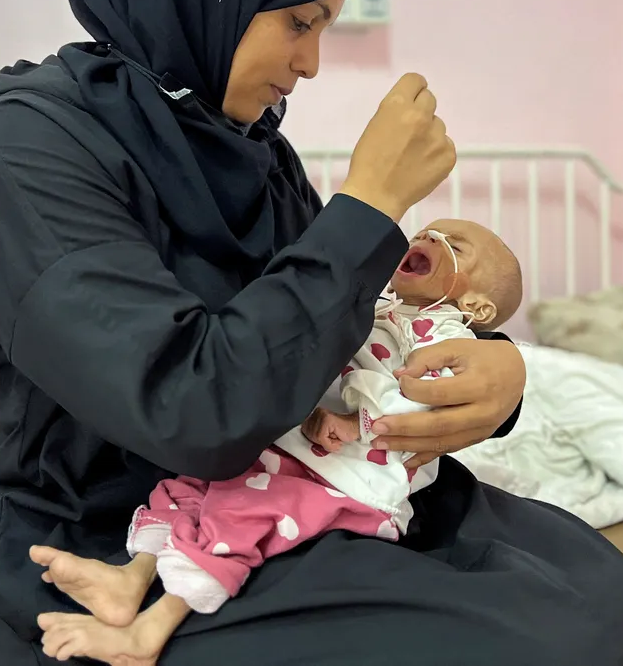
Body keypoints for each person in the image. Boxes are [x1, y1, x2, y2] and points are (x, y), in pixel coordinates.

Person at [0, 0, 623, 666]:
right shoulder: (30, 148)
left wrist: (497, 372)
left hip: (295, 487)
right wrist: (370, 204)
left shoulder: (243, 143)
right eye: (299, 22)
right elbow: (194, 408)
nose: (310, 63)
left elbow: (334, 335)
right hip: (111, 539)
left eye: (325, 26)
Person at [31, 220, 524, 664]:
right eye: (426, 232)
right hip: (295, 443)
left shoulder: (445, 336)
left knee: (238, 516)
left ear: (477, 307)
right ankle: (132, 578)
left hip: (348, 472)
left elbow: (426, 400)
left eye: (455, 244)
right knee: (194, 486)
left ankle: (150, 632)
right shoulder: (378, 307)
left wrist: (356, 423)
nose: (429, 238)